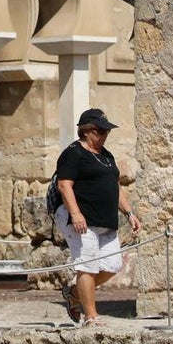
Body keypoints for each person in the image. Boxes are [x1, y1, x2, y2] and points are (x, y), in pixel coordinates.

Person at [54, 108, 141, 328]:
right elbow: (64, 185)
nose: (104, 136)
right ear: (86, 131)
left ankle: (73, 293)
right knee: (88, 265)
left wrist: (129, 213)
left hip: (105, 220)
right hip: (82, 220)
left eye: (106, 132)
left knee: (112, 265)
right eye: (100, 131)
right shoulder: (73, 153)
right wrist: (75, 213)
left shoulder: (106, 156)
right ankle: (91, 317)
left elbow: (115, 186)